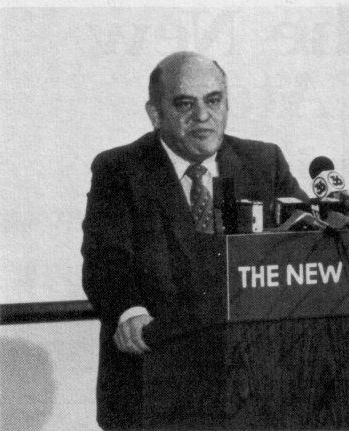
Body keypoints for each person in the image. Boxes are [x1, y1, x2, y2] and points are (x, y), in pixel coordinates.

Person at [81, 51, 308, 430]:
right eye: (185, 104)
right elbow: (105, 259)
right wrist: (129, 311)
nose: (203, 116)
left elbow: (307, 242)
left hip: (252, 385)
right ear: (155, 113)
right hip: (155, 383)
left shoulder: (263, 161)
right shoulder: (120, 169)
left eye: (213, 101)